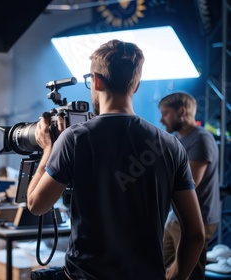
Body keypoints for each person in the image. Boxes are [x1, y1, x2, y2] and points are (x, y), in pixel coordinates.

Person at [27, 39, 205, 279]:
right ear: (137, 86)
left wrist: (48, 149)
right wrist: (174, 276)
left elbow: (36, 205)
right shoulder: (170, 145)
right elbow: (195, 235)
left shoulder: (74, 139)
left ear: (97, 81)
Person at [159, 92, 220, 279]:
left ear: (181, 111)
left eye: (165, 113)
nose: (162, 120)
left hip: (196, 221)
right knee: (162, 270)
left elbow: (189, 182)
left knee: (189, 274)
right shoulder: (179, 139)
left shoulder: (201, 139)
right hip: (176, 217)